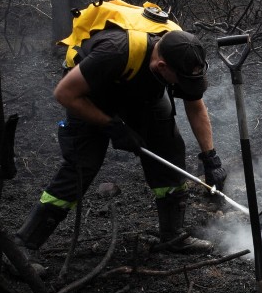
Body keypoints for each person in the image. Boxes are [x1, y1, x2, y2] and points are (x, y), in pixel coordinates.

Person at [14, 27, 228, 273]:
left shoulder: (182, 50)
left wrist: (210, 157)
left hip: (142, 91)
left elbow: (195, 105)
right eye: (178, 80)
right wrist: (112, 125)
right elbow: (64, 93)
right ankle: (22, 247)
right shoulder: (114, 52)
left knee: (169, 148)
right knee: (82, 166)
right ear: (161, 67)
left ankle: (172, 235)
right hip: (89, 95)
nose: (181, 86)